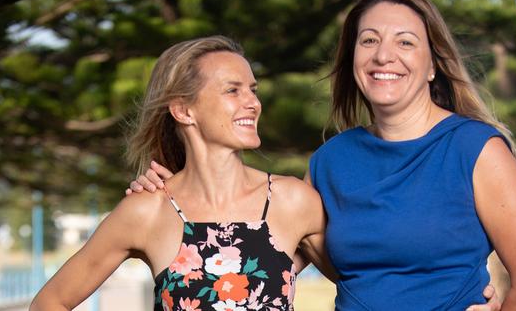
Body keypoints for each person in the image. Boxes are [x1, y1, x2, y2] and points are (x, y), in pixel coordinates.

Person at [129, 0, 516, 310]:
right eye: (368, 40)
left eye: (405, 42)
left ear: (433, 65)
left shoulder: (476, 150)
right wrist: (172, 195)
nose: (383, 56)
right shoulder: (332, 161)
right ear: (352, 58)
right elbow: (262, 252)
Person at [30, 36, 332, 311]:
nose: (253, 103)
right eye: (232, 90)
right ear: (183, 111)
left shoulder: (292, 201)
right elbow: (49, 303)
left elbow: (367, 284)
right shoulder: (148, 211)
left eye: (253, 90)